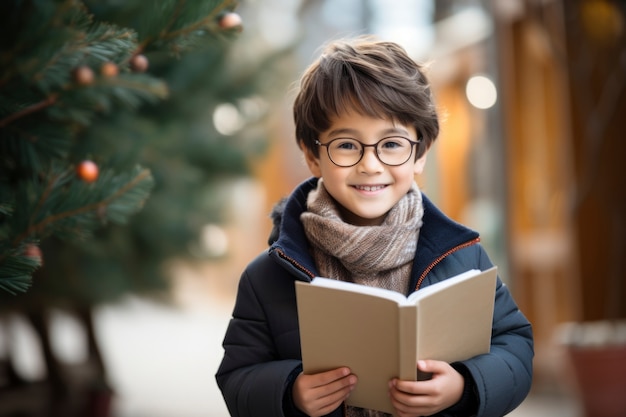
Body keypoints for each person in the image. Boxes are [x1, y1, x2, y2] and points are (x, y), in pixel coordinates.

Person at [216, 36, 533, 417]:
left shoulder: (464, 260)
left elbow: (514, 345)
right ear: (312, 156)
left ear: (421, 153)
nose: (371, 165)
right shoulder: (268, 276)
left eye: (392, 144)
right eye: (347, 145)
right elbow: (237, 378)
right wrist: (290, 391)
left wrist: (465, 386)